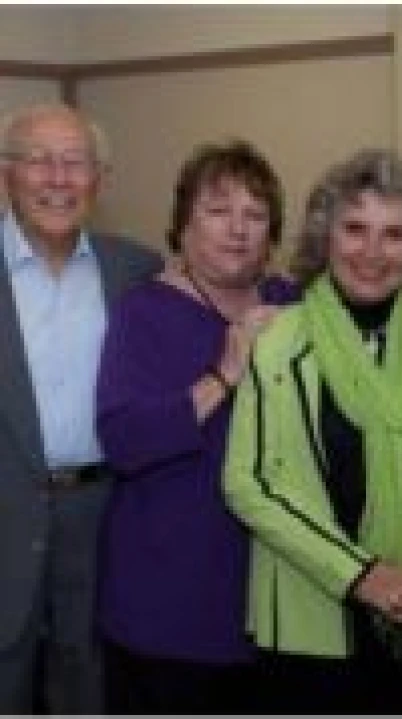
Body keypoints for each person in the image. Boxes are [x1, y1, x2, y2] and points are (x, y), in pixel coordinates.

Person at [222, 147, 402, 714]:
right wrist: (362, 577)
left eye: (394, 234)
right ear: (325, 236)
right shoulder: (276, 341)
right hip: (311, 618)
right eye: (355, 229)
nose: (372, 252)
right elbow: (250, 484)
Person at [94, 139, 297, 713]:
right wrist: (223, 375)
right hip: (167, 605)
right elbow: (123, 441)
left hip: (273, 599)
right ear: (184, 226)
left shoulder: (291, 303)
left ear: (272, 234)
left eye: (255, 214)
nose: (238, 228)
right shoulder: (143, 311)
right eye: (218, 210)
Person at [0, 104, 161, 713]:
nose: (58, 179)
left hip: (103, 520)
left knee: (88, 686)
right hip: (5, 516)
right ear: (6, 173)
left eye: (75, 162)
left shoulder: (137, 271)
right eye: (38, 161)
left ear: (100, 179)